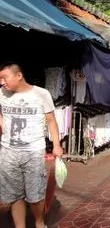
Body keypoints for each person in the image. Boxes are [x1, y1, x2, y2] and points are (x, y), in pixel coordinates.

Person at [0, 62, 63, 228]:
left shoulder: (41, 94)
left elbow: (51, 121)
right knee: (14, 195)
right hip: (7, 152)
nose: (2, 82)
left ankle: (39, 222)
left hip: (33, 152)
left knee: (35, 195)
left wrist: (57, 145)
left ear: (19, 75)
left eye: (4, 78)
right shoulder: (1, 94)